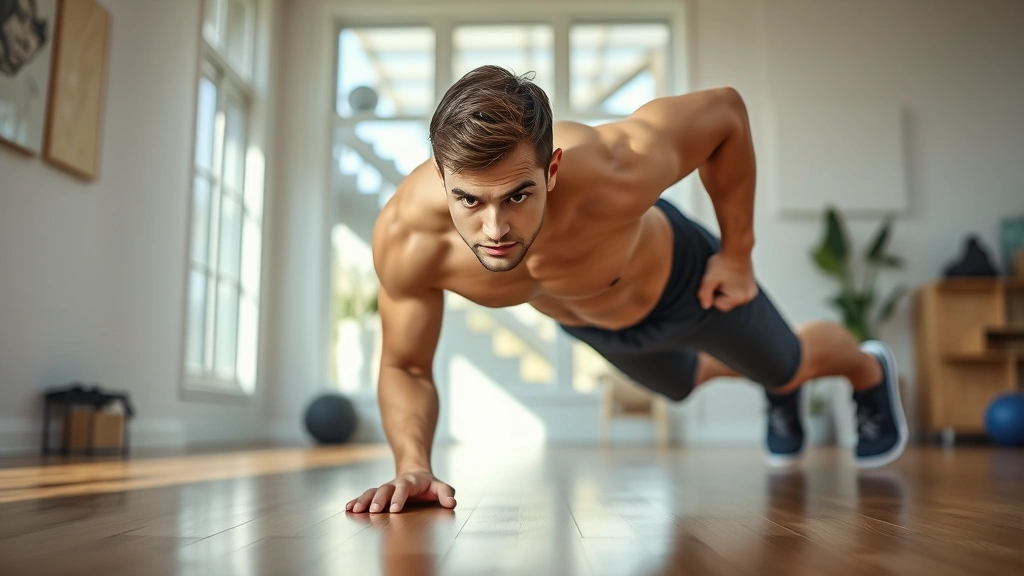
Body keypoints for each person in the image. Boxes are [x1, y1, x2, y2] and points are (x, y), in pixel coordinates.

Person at [345, 66, 908, 515]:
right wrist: (413, 463)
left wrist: (738, 254)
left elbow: (726, 114)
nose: (495, 231)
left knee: (785, 364)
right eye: (469, 200)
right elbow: (407, 366)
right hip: (596, 325)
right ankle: (772, 380)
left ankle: (865, 371)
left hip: (686, 284)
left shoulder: (615, 167)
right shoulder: (407, 240)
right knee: (683, 384)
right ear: (442, 179)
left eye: (518, 195)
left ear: (553, 169)